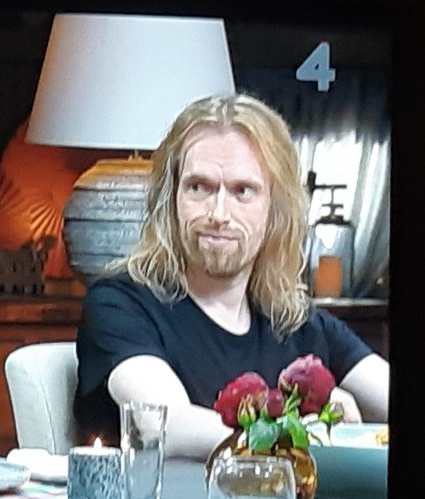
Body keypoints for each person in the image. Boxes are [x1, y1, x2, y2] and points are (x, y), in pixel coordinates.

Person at [74, 93, 389, 459]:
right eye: (198, 187)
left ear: (275, 209)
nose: (219, 214)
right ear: (171, 199)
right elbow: (165, 426)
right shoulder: (120, 304)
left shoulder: (295, 320)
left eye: (243, 191)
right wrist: (310, 433)